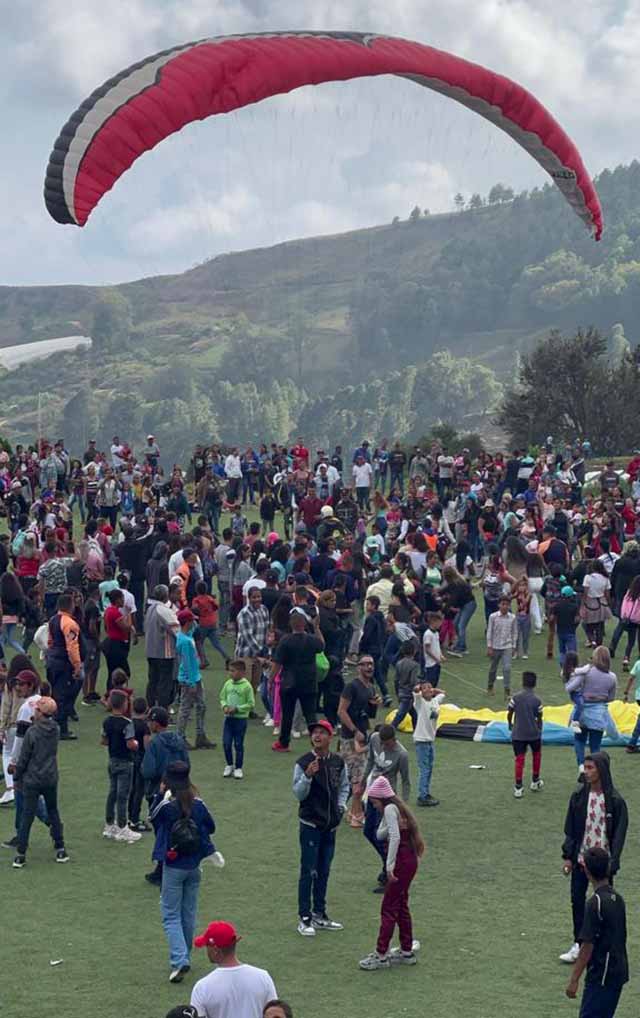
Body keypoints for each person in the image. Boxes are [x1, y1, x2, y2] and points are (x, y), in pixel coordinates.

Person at [150, 761, 216, 983]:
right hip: (194, 866)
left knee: (170, 915)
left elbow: (152, 817)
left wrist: (160, 795)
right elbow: (212, 826)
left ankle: (180, 960)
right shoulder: (198, 804)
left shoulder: (167, 806)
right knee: (188, 913)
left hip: (174, 866)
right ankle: (184, 955)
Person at [560, 752, 628, 965]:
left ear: (602, 770)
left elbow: (619, 834)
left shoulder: (615, 801)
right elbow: (571, 828)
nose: (587, 772)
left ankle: (605, 945)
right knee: (577, 900)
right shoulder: (579, 796)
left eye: (591, 768)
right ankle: (579, 944)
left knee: (604, 904)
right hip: (581, 858)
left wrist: (613, 861)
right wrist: (568, 857)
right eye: (586, 768)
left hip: (603, 863)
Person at [359, 775, 424, 970]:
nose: (374, 806)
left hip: (400, 863)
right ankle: (406, 950)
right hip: (409, 861)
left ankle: (380, 954)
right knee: (401, 905)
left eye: (374, 802)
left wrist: (389, 866)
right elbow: (383, 833)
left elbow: (393, 837)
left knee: (388, 908)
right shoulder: (398, 809)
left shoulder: (388, 809)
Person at [292, 719, 348, 937]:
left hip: (330, 826)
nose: (317, 736)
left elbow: (344, 786)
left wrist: (341, 806)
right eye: (314, 732)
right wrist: (307, 776)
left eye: (321, 733)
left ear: (329, 737)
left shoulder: (337, 762)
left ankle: (320, 914)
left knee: (324, 870)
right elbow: (298, 794)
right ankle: (304, 918)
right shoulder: (303, 762)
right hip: (310, 825)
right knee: (309, 871)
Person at [565, 846, 628, 1018]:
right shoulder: (618, 899)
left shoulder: (595, 903)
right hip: (618, 973)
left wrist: (574, 980)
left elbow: (587, 946)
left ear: (587, 871)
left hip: (601, 976)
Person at [10, 695, 69, 868]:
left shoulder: (32, 732)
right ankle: (60, 848)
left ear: (41, 713)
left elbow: (24, 757)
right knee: (53, 811)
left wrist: (16, 775)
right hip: (50, 777)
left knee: (27, 816)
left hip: (32, 779)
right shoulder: (56, 729)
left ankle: (21, 854)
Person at [141, 706, 191, 886]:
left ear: (155, 723)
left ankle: (164, 869)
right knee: (178, 830)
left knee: (162, 833)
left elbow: (148, 771)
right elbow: (187, 764)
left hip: (159, 792)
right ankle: (169, 867)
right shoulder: (178, 740)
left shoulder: (155, 744)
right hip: (180, 792)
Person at [190, 920, 277, 1018]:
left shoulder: (202, 987)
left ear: (215, 950)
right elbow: (275, 1014)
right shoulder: (263, 977)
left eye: (207, 946)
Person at [362, 724, 410, 891]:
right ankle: (387, 865)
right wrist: (362, 783)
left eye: (387, 743)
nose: (383, 746)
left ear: (394, 740)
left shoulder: (401, 754)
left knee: (382, 836)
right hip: (372, 794)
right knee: (368, 831)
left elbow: (405, 781)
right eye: (381, 743)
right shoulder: (375, 738)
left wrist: (403, 808)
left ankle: (389, 871)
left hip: (387, 798)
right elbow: (370, 761)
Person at [271, 608, 324, 752]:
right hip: (308, 681)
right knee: (310, 715)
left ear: (291, 624)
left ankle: (284, 743)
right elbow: (322, 645)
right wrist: (317, 628)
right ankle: (318, 743)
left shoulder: (286, 640)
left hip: (289, 682)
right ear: (304, 624)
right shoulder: (311, 640)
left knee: (287, 714)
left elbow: (277, 663)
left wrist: (272, 679)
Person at [338, 656, 381, 826]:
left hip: (363, 736)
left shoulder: (370, 687)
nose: (369, 667)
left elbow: (369, 714)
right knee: (358, 779)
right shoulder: (351, 686)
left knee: (357, 778)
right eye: (365, 664)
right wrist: (355, 731)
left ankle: (350, 812)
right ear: (358, 667)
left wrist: (374, 705)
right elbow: (341, 711)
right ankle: (356, 816)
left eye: (371, 664)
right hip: (350, 738)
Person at [565, 647, 616, 770]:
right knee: (595, 746)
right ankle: (594, 771)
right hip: (598, 714)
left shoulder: (586, 672)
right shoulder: (612, 677)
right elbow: (611, 697)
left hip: (582, 712)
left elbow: (573, 687)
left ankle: (581, 766)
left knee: (579, 741)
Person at [101, 689, 141, 843]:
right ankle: (123, 827)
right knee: (123, 795)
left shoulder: (107, 722)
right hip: (125, 762)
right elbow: (130, 743)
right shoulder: (127, 723)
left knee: (112, 792)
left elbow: (104, 741)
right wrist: (136, 744)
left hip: (112, 760)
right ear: (124, 705)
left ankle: (109, 824)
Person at [175, 609, 215, 751]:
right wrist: (191, 682)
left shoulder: (185, 635)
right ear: (187, 622)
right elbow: (187, 663)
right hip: (190, 678)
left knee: (201, 706)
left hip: (194, 676)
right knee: (186, 708)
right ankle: (180, 737)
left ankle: (200, 735)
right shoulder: (185, 641)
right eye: (192, 620)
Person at [46, 591, 82, 740]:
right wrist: (77, 664)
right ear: (70, 605)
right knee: (63, 696)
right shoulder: (69, 623)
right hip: (63, 663)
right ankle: (62, 730)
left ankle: (54, 725)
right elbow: (72, 646)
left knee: (55, 694)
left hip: (52, 661)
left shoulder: (52, 620)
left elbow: (49, 641)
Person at [507, 671, 543, 799]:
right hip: (533, 734)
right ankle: (535, 780)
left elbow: (510, 712)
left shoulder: (515, 698)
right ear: (535, 684)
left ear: (523, 683)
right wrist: (539, 729)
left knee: (519, 759)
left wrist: (510, 724)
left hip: (518, 734)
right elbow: (539, 717)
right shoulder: (537, 700)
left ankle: (518, 787)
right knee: (537, 755)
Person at [412, 680, 446, 807]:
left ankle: (426, 792)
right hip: (422, 740)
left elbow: (443, 693)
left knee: (429, 768)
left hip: (430, 740)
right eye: (425, 688)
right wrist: (418, 690)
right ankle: (422, 796)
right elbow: (416, 693)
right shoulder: (420, 703)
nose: (428, 690)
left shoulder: (435, 701)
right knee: (424, 769)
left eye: (429, 687)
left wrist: (434, 690)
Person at [145, 584, 179, 709]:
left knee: (153, 681)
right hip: (164, 653)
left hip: (150, 651)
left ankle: (150, 707)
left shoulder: (150, 609)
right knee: (165, 683)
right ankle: (162, 710)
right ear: (166, 595)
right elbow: (176, 630)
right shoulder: (164, 610)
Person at [220, 659, 255, 779]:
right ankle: (229, 765)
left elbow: (251, 704)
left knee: (238, 744)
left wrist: (237, 709)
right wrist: (225, 706)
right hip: (228, 720)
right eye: (230, 670)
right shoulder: (228, 684)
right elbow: (222, 697)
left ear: (241, 672)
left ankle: (238, 767)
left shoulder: (247, 686)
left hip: (240, 720)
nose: (230, 673)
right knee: (226, 743)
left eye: (233, 671)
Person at [486, 595, 517, 699]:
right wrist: (489, 646)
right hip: (495, 646)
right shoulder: (493, 617)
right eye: (503, 604)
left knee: (507, 668)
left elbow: (514, 632)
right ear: (499, 605)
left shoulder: (512, 617)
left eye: (507, 604)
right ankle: (490, 686)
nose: (505, 606)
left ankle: (507, 690)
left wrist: (513, 646)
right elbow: (489, 631)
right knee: (493, 668)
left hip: (507, 646)